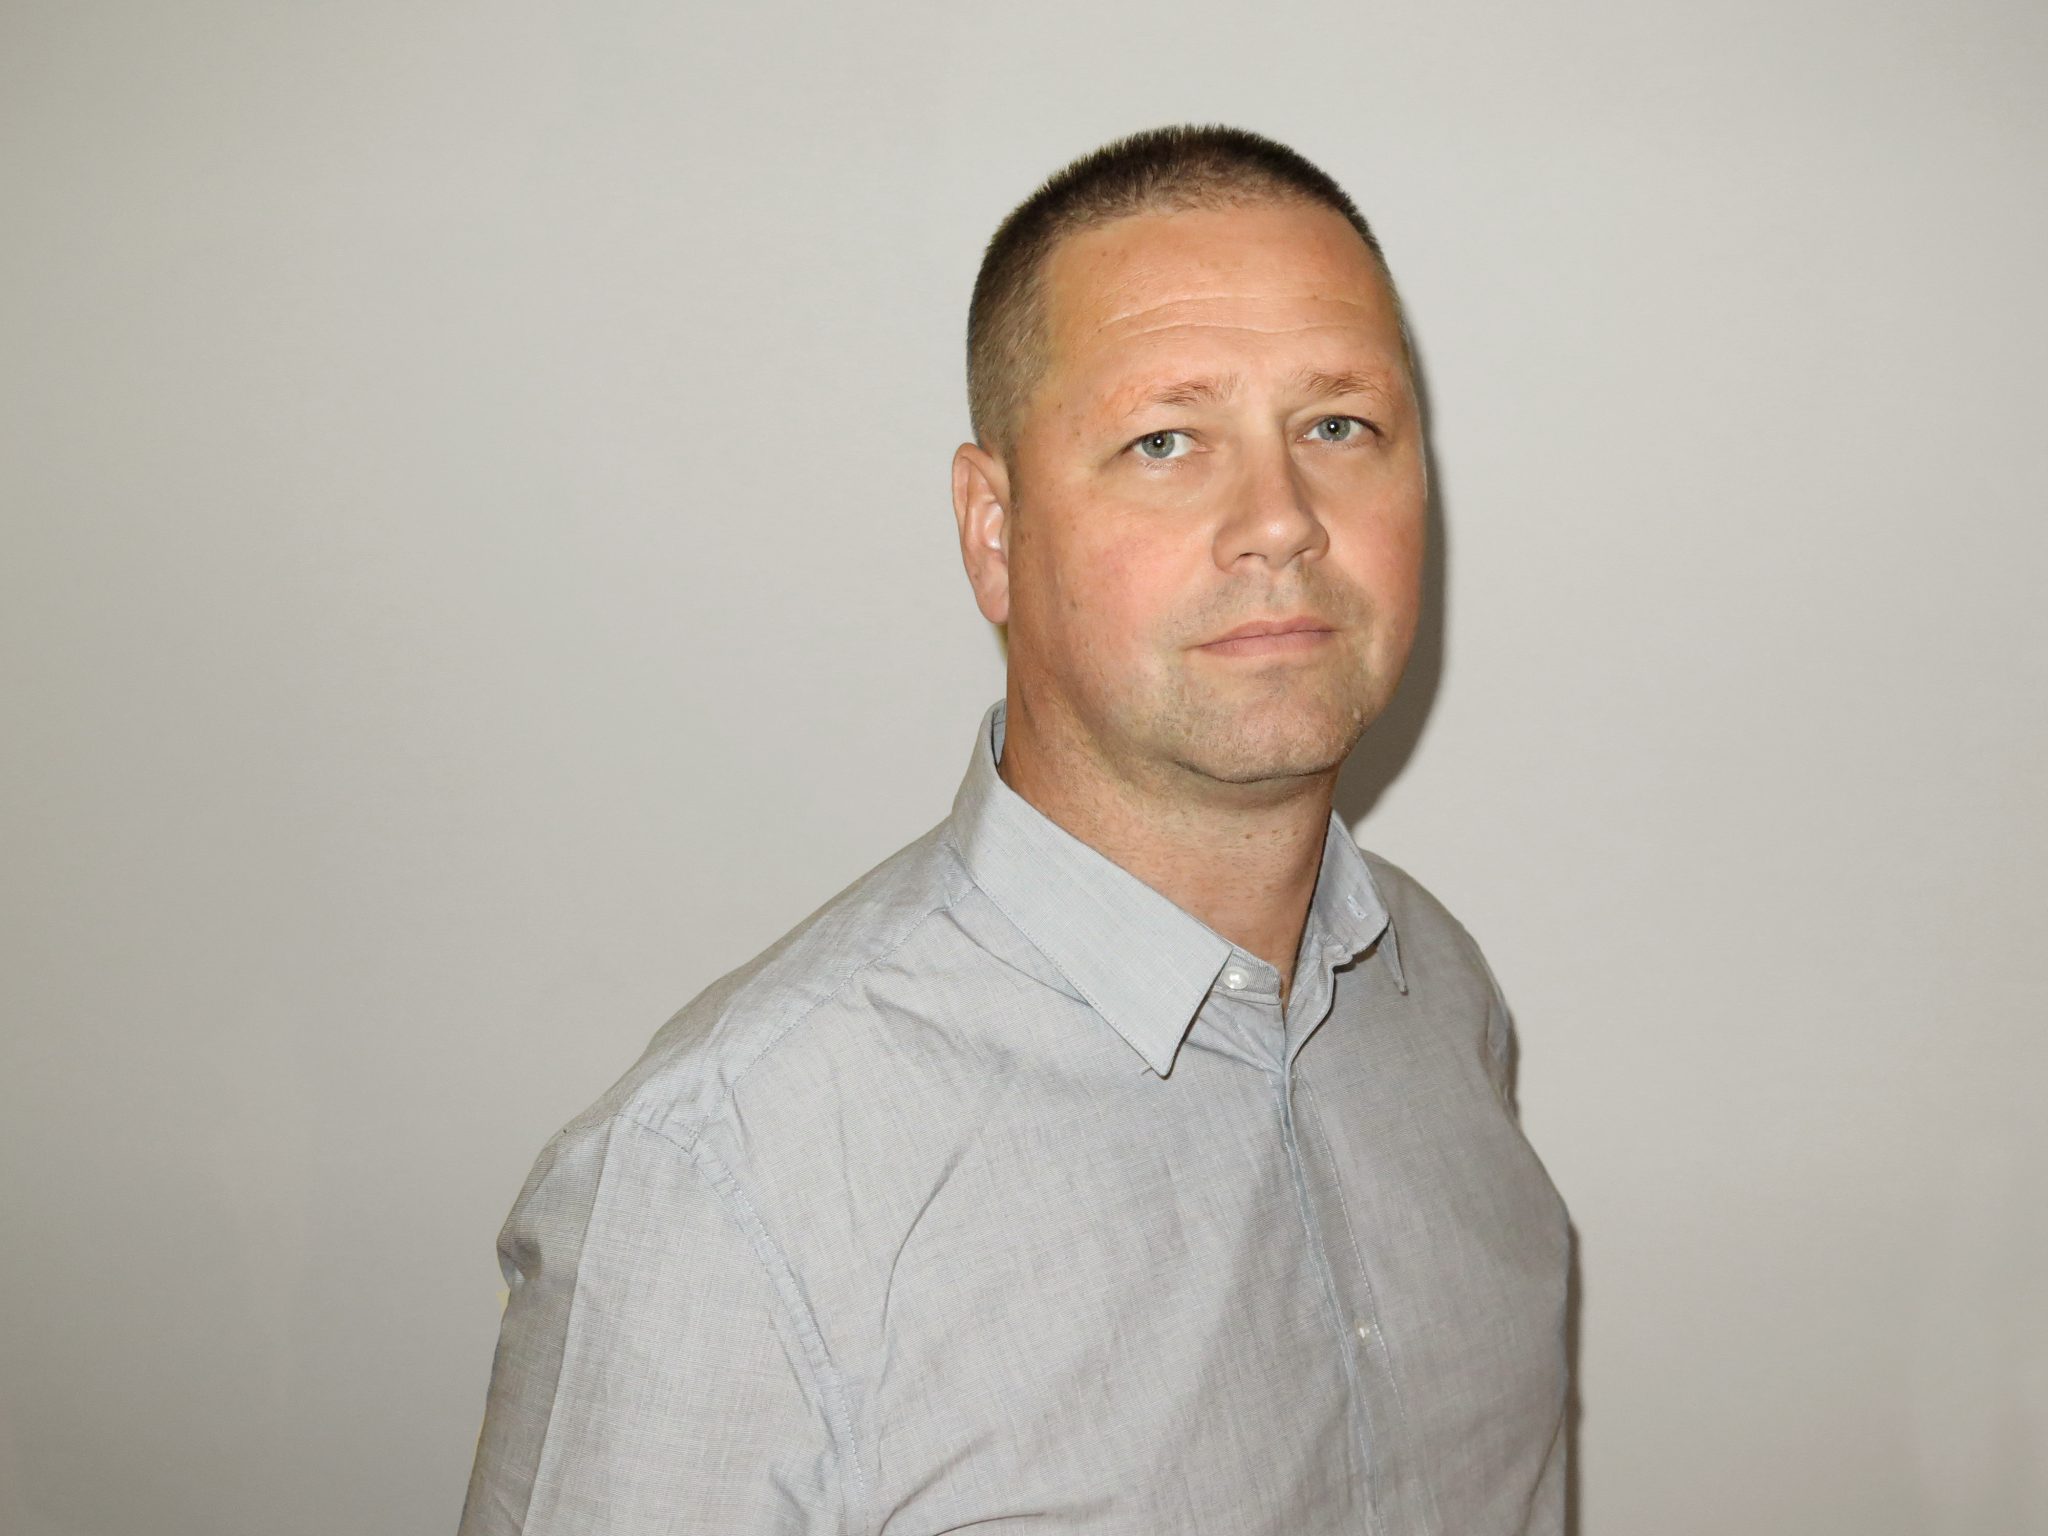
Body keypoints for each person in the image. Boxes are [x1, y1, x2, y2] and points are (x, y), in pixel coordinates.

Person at [458, 124, 1571, 1535]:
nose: (1282, 521)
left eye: (1338, 426)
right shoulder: (729, 1183)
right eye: (1166, 440)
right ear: (995, 531)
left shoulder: (1440, 997)